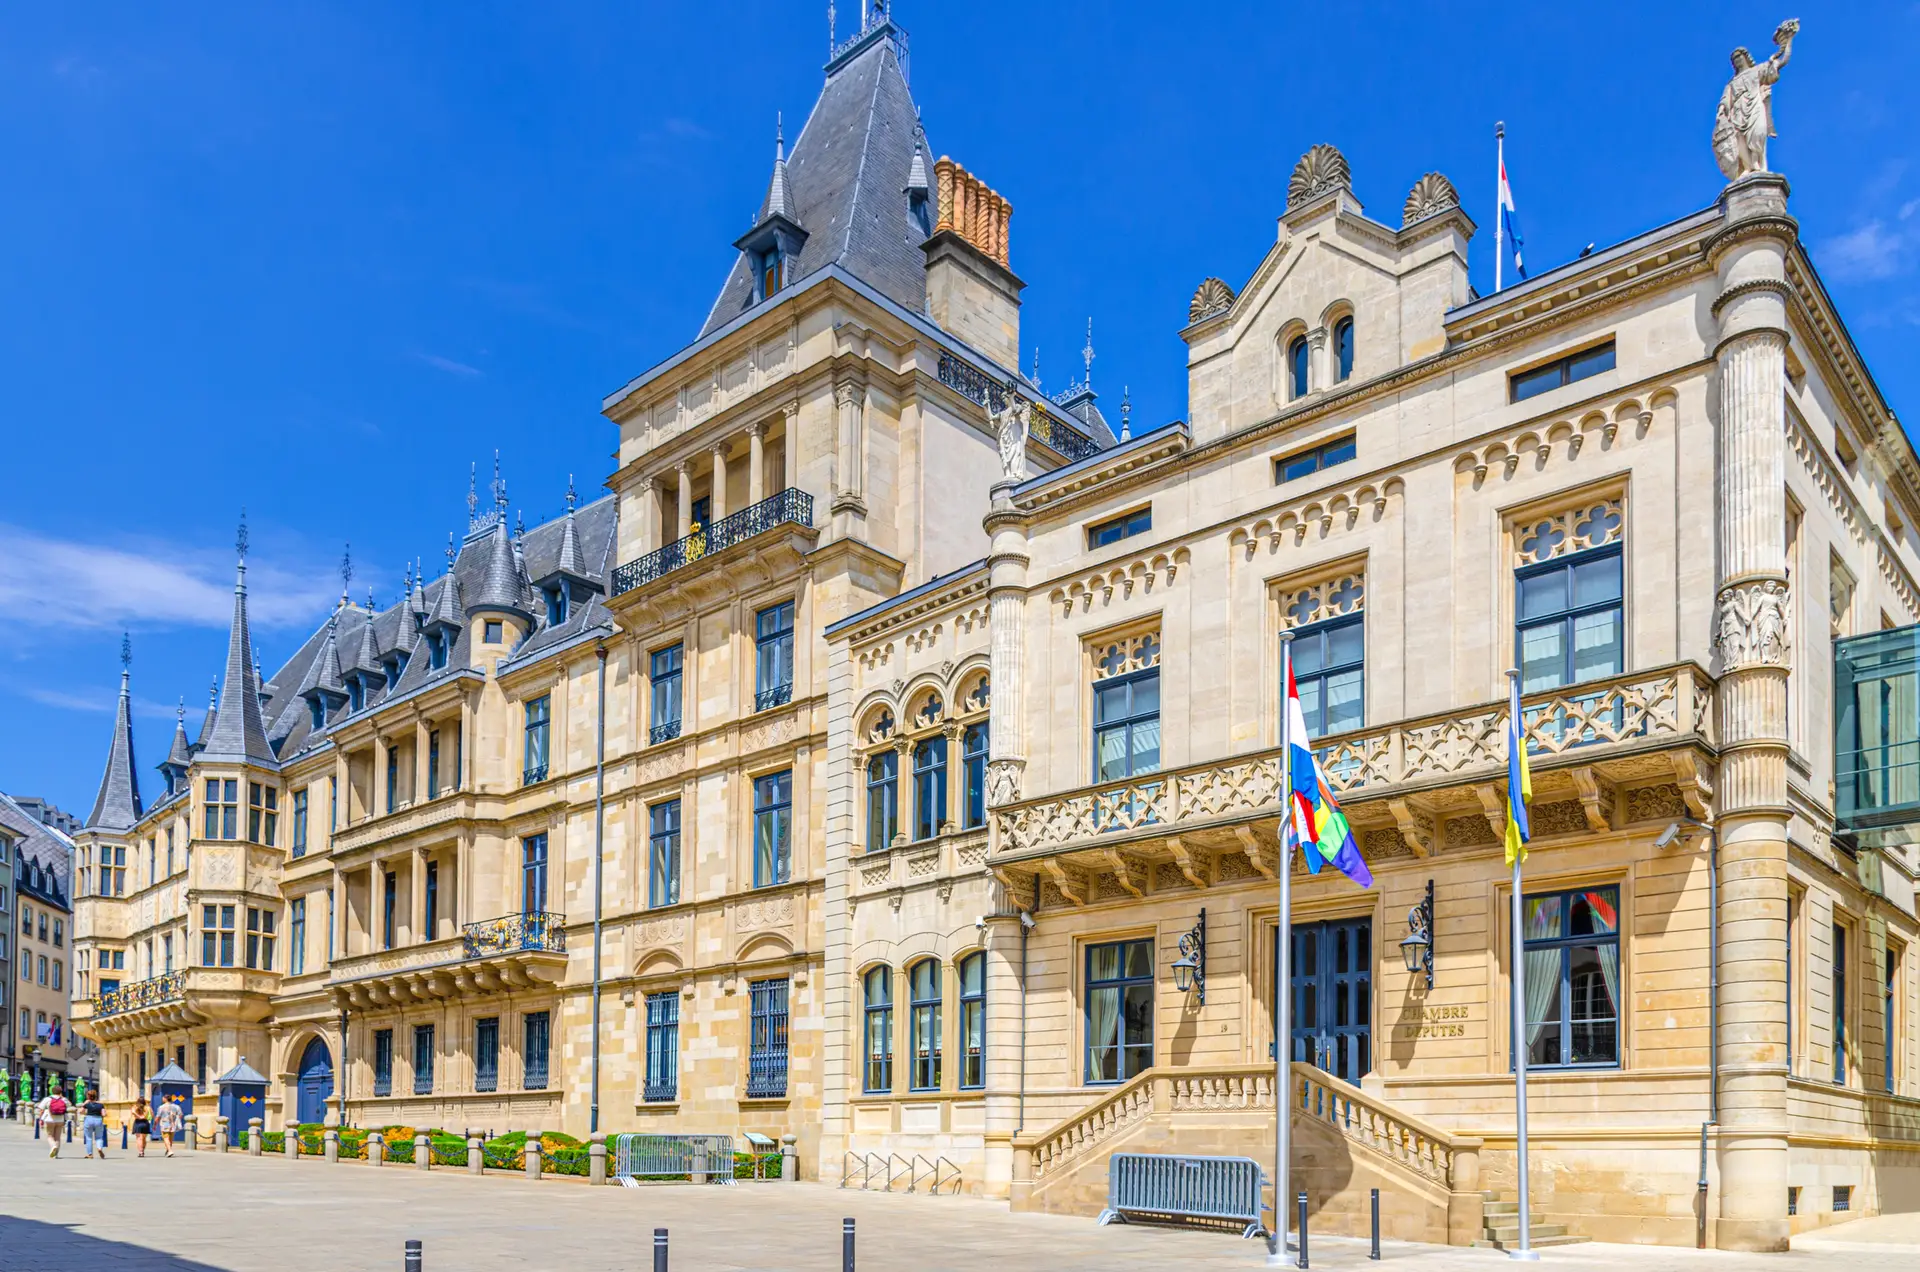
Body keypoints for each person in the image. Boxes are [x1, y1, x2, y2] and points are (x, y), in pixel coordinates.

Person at [40, 1091, 68, 1158]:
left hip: (50, 1119)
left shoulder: (47, 1099)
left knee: (50, 1136)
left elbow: (41, 1109)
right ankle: (56, 1155)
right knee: (57, 1138)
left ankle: (53, 1146)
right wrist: (62, 1097)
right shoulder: (63, 1099)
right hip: (60, 1119)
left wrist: (41, 1119)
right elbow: (69, 1105)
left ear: (52, 1091)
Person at [80, 1094, 107, 1159]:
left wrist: (84, 1104)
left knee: (88, 1138)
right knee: (99, 1137)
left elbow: (81, 1111)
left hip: (89, 1119)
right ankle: (99, 1148)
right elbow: (104, 1114)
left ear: (88, 1097)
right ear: (96, 1097)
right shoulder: (100, 1105)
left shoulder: (87, 1104)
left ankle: (90, 1154)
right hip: (98, 1120)